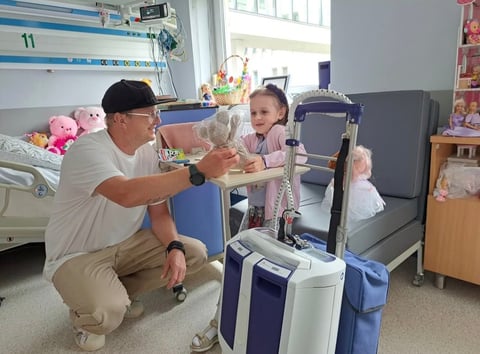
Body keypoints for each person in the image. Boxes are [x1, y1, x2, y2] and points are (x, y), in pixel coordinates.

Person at [43, 79, 240, 352]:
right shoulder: (87, 150)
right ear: (121, 119)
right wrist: (198, 172)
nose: (156, 120)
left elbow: (159, 212)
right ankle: (84, 317)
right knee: (106, 314)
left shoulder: (147, 155)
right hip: (75, 254)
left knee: (193, 252)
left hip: (124, 245)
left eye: (156, 113)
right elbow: (126, 193)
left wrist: (174, 246)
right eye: (149, 114)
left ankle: (120, 292)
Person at [190, 83, 307, 352]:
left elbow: (299, 154)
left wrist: (266, 162)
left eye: (264, 112)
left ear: (281, 113)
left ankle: (260, 328)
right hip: (254, 213)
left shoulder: (281, 132)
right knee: (236, 263)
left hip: (277, 216)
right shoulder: (252, 138)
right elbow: (236, 151)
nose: (257, 118)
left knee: (265, 272)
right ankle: (220, 321)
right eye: (253, 113)